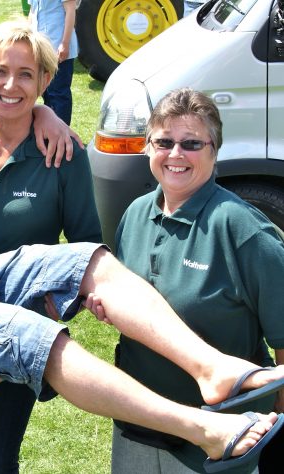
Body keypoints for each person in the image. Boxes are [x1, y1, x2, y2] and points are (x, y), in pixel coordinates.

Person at [0, 25, 284, 474]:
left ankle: (213, 368)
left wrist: (45, 112)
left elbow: (6, 105)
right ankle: (204, 428)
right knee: (33, 337)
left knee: (91, 259)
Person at [0, 20, 102, 473]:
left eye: (27, 74)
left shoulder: (63, 151)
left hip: (17, 328)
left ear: (46, 81)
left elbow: (89, 246)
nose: (11, 85)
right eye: (0, 71)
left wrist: (51, 308)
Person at [110, 88, 284, 473]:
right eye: (164, 142)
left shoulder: (243, 230)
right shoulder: (135, 214)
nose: (175, 154)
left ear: (214, 150)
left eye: (191, 143)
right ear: (147, 147)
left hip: (223, 437)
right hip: (137, 425)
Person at [28, 0, 77, 125]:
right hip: (40, 47)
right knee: (46, 92)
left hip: (57, 46)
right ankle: (50, 130)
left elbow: (70, 11)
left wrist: (65, 44)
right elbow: (32, 12)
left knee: (58, 93)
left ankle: (63, 134)